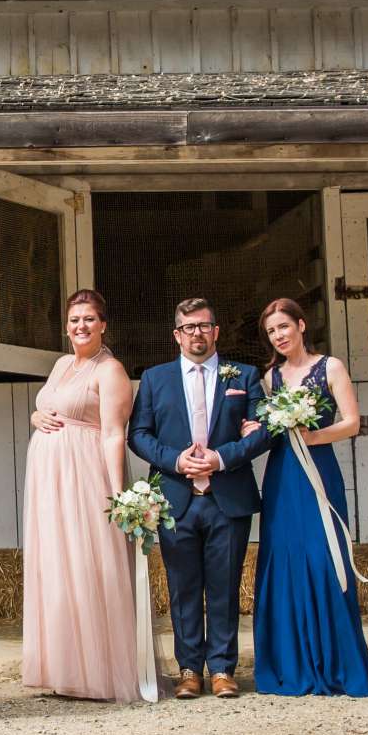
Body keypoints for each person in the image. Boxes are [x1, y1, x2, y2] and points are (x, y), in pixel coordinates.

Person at [127, 296, 269, 699]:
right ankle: (189, 669)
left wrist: (222, 459)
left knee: (225, 585)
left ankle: (223, 668)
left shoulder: (243, 375)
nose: (197, 334)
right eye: (189, 327)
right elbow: (138, 434)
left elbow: (263, 431)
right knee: (183, 586)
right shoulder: (155, 379)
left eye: (205, 326)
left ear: (216, 331)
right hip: (175, 498)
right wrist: (176, 461)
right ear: (177, 334)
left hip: (228, 496)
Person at [246, 299, 368, 697]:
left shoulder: (331, 367)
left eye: (285, 326)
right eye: (272, 331)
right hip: (283, 475)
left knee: (325, 558)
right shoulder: (270, 377)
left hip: (319, 470)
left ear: (302, 325)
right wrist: (259, 426)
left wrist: (312, 435)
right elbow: (266, 427)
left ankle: (338, 663)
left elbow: (352, 423)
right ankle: (292, 663)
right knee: (285, 560)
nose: (279, 335)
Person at [21, 289, 148, 702]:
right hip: (49, 482)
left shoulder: (109, 370)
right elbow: (49, 406)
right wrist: (36, 416)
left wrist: (117, 496)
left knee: (88, 565)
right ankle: (66, 670)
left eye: (89, 319)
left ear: (104, 324)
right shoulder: (61, 364)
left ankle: (100, 674)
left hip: (84, 477)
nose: (81, 326)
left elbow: (114, 434)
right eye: (75, 319)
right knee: (58, 568)